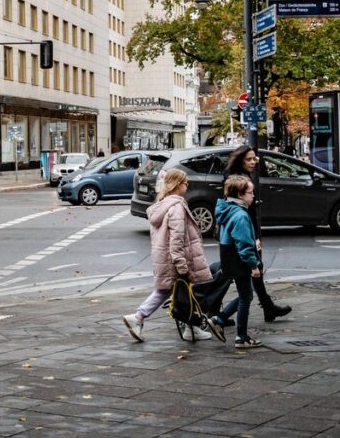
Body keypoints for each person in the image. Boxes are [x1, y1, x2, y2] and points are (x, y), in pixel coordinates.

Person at [124, 168, 219, 342]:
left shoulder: (163, 204)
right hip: (175, 260)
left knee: (176, 292)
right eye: (184, 182)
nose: (187, 184)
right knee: (180, 292)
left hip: (164, 258)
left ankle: (191, 328)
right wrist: (181, 263)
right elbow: (176, 240)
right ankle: (138, 317)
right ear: (176, 185)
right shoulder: (176, 208)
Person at [223, 145, 292, 322]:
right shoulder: (236, 179)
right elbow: (241, 211)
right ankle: (219, 317)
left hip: (247, 230)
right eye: (249, 159)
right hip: (243, 232)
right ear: (240, 160)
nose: (253, 162)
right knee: (245, 274)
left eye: (254, 159)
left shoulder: (242, 175)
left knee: (248, 271)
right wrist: (253, 237)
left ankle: (267, 307)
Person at [209, 175, 264, 349]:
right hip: (239, 259)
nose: (253, 196)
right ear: (240, 194)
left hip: (229, 256)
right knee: (246, 297)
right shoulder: (240, 214)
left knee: (245, 295)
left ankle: (220, 319)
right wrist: (254, 265)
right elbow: (244, 245)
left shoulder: (227, 209)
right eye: (250, 192)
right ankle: (241, 337)